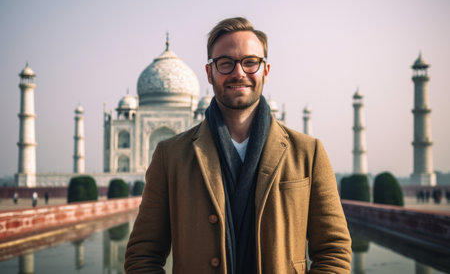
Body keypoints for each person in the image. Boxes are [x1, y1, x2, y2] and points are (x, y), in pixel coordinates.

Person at [125, 17, 352, 273]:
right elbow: (142, 254)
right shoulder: (172, 155)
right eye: (225, 63)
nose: (239, 72)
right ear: (209, 73)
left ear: (265, 70)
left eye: (250, 62)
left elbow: (334, 250)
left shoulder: (307, 153)